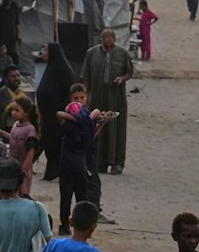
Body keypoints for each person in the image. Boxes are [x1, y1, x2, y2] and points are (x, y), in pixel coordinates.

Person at [54, 84, 110, 234]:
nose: (79, 101)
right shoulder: (80, 123)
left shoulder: (80, 123)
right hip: (72, 168)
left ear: (87, 98)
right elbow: (60, 114)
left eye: (81, 97)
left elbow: (90, 137)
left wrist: (98, 122)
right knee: (73, 200)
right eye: (75, 99)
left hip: (75, 168)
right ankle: (72, 226)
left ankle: (71, 225)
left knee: (74, 199)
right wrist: (88, 119)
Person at [80, 29, 134, 175]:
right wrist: (86, 97)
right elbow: (85, 77)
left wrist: (122, 79)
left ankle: (117, 163)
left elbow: (129, 71)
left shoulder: (122, 54)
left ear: (115, 41)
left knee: (117, 128)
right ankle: (100, 162)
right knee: (98, 128)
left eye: (111, 46)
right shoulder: (91, 54)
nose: (109, 49)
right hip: (97, 97)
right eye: (106, 46)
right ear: (100, 42)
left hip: (116, 98)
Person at [35, 42, 77, 190]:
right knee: (49, 144)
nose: (44, 53)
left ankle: (57, 171)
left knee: (54, 143)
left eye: (46, 50)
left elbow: (70, 95)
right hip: (47, 115)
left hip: (58, 116)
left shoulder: (64, 71)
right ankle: (51, 170)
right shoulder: (50, 69)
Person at [5, 96, 39, 196]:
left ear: (27, 112)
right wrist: (0, 131)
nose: (13, 113)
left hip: (23, 169)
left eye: (17, 110)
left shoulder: (30, 129)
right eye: (12, 110)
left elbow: (31, 151)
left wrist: (24, 169)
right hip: (12, 166)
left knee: (22, 194)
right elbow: (13, 138)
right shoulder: (16, 125)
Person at [0, 65, 26, 132]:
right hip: (6, 130)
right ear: (6, 79)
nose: (16, 78)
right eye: (13, 76)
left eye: (18, 76)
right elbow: (12, 111)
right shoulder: (2, 92)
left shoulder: (19, 91)